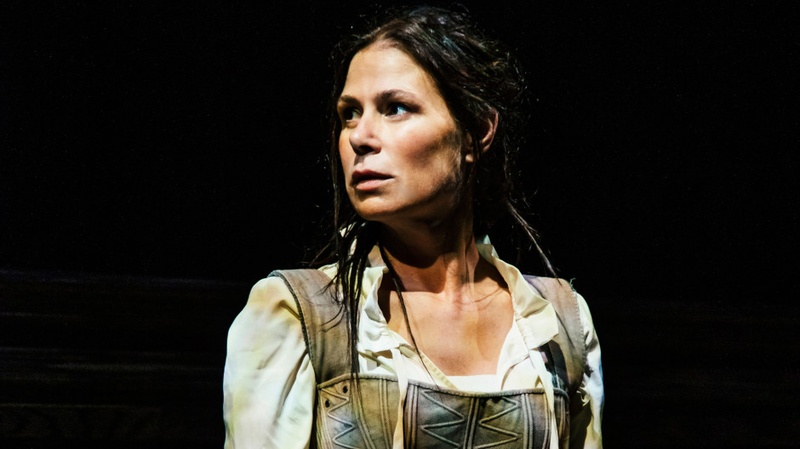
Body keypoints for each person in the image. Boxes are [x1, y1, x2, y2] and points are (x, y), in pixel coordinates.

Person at [223, 5, 603, 448]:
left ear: (475, 131)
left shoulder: (557, 322)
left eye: (395, 108)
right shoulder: (298, 316)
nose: (360, 137)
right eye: (349, 113)